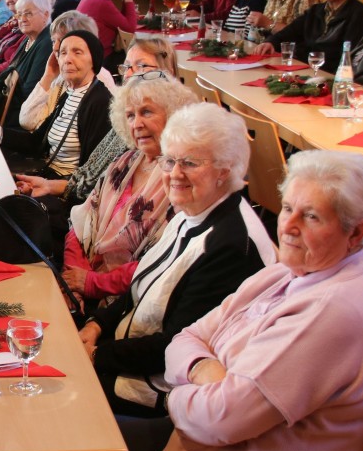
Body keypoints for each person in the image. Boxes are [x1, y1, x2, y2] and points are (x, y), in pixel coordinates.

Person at [0, 149, 363, 451]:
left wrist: (182, 395)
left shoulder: (332, 313)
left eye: (312, 217)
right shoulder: (289, 272)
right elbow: (188, 339)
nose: (290, 227)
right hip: (209, 450)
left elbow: (221, 418)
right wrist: (208, 373)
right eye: (286, 208)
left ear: (357, 233)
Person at [78, 103, 278, 416]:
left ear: (225, 170)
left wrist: (97, 356)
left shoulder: (231, 247)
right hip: (122, 357)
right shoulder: (192, 210)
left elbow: (174, 345)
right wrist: (97, 325)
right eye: (169, 161)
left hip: (160, 395)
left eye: (189, 163)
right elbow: (139, 288)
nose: (174, 174)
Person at [62, 73, 197, 303]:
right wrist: (74, 282)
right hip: (83, 286)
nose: (137, 124)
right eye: (130, 115)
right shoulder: (124, 163)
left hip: (129, 302)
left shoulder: (182, 178)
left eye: (146, 112)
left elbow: (159, 263)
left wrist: (91, 284)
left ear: (174, 115)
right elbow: (79, 225)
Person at [16, 36, 181, 206]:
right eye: (127, 67)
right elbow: (88, 178)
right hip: (84, 205)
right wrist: (49, 186)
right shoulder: (124, 118)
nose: (130, 74)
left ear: (168, 73)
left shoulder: (170, 137)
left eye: (141, 66)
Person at [0, 29, 112, 186]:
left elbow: (92, 173)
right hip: (46, 174)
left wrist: (50, 187)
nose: (67, 59)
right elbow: (36, 141)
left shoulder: (100, 101)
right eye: (62, 53)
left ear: (94, 59)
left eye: (77, 52)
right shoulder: (69, 93)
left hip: (64, 188)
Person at [0, 0, 54, 133]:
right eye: (19, 14)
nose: (22, 19)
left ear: (45, 15)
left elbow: (30, 90)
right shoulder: (28, 38)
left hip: (22, 119)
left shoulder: (47, 44)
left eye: (28, 13)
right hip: (8, 107)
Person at [76, 0, 136, 73]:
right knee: (140, 60)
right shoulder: (102, 3)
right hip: (100, 59)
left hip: (88, 54)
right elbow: (130, 29)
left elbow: (122, 22)